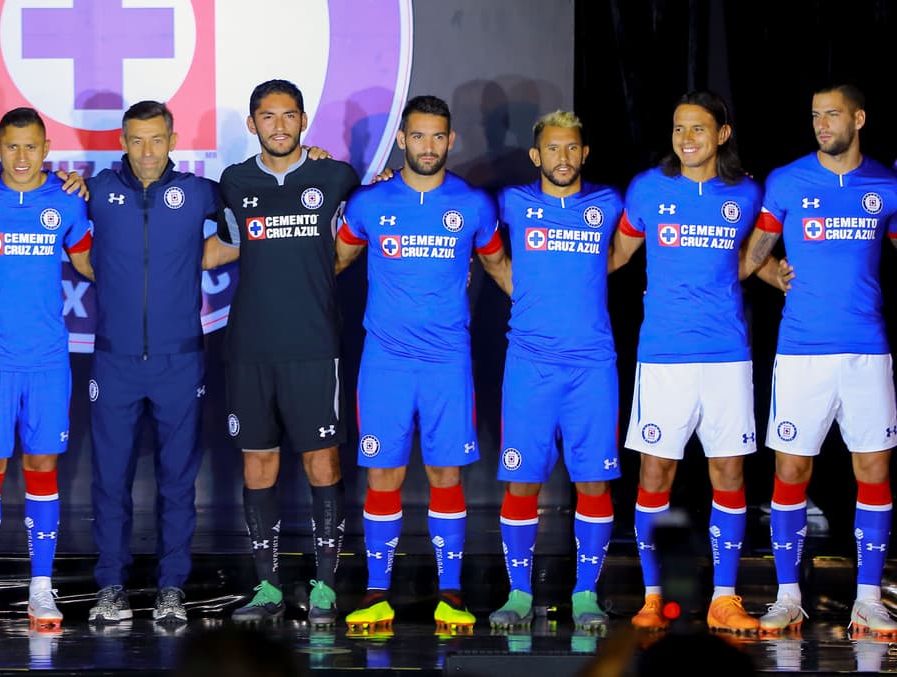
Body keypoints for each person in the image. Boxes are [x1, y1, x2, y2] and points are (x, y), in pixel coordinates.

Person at [334, 95, 506, 634]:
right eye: (418, 136)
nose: (428, 146)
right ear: (402, 140)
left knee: (444, 473)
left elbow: (500, 266)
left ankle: (450, 594)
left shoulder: (475, 206)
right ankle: (377, 593)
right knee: (382, 474)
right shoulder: (369, 203)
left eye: (438, 137)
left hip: (446, 363)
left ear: (450, 141)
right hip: (384, 361)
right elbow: (333, 263)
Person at [611, 90, 779, 633]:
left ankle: (724, 597)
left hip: (726, 356)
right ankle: (654, 595)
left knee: (729, 472)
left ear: (722, 135)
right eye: (679, 128)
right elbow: (614, 254)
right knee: (655, 472)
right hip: (663, 356)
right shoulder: (648, 189)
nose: (686, 139)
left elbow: (754, 257)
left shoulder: (747, 192)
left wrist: (777, 271)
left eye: (698, 129)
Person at [743, 84, 897, 636]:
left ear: (858, 117)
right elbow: (746, 255)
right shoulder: (786, 181)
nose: (822, 124)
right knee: (791, 470)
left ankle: (869, 598)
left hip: (866, 350)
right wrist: (769, 273)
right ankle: (787, 596)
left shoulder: (886, 183)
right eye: (815, 116)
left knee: (873, 470)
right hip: (802, 351)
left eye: (832, 115)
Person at [211, 79, 359, 626]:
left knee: (322, 461)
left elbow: (361, 232)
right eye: (267, 117)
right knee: (259, 461)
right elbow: (223, 245)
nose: (279, 126)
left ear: (303, 121)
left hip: (314, 345)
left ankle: (324, 586)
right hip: (250, 345)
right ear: (252, 125)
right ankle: (268, 586)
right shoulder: (234, 181)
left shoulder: (335, 176)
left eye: (289, 115)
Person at [0, 107, 93, 631]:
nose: (22, 157)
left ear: (46, 147)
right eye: (11, 146)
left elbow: (89, 264)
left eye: (31, 146)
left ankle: (41, 590)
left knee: (42, 469)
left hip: (47, 359)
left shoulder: (68, 200)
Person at [82, 100, 220, 626]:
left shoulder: (200, 193)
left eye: (156, 139)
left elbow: (243, 228)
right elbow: (73, 243)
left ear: (172, 139)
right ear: (123, 139)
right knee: (109, 480)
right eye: (136, 140)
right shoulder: (96, 191)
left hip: (179, 359)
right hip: (115, 360)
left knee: (177, 481)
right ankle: (112, 587)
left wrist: (200, 257)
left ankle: (171, 589)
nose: (146, 151)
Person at [486, 111, 622, 632]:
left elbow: (625, 251)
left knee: (593, 483)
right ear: (535, 156)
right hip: (530, 366)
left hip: (592, 367)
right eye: (552, 150)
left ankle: (586, 593)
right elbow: (474, 234)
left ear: (584, 154)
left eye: (572, 149)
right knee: (522, 484)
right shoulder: (511, 204)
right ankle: (519, 594)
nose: (562, 158)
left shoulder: (609, 204)